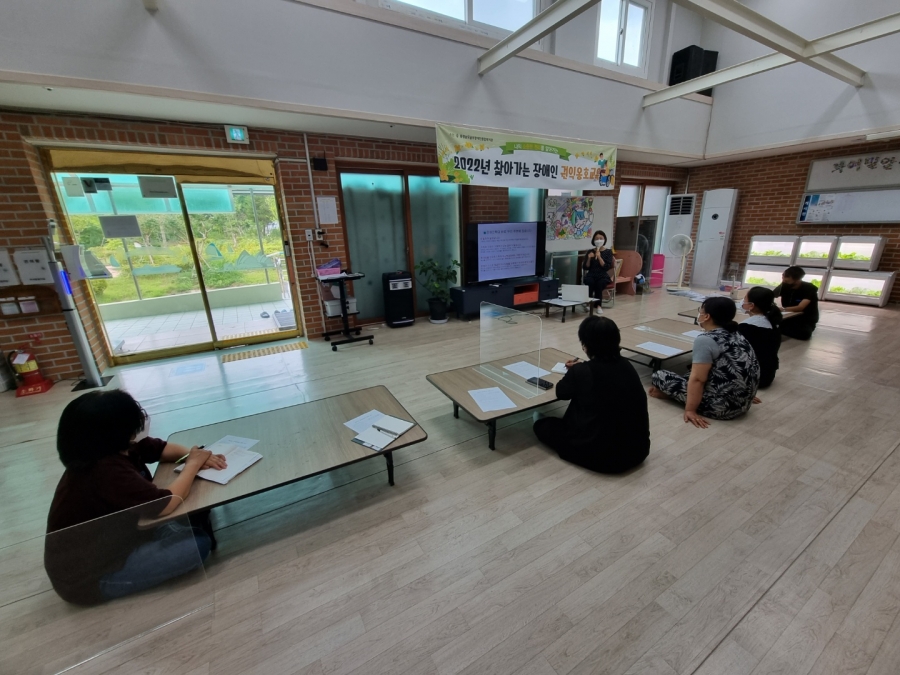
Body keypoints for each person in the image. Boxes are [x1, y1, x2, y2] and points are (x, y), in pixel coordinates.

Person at [44, 389, 227, 605]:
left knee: (194, 502)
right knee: (197, 545)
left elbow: (160, 449)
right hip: (96, 575)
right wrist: (193, 464)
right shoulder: (104, 471)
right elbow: (166, 504)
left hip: (126, 535)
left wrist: (192, 455)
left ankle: (179, 528)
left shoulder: (115, 448)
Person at [533, 316, 650, 473]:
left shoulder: (582, 371)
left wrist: (575, 372)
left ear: (586, 345)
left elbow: (561, 392)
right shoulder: (627, 365)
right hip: (638, 451)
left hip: (603, 458)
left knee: (542, 425)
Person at [649, 296, 760, 428]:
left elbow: (698, 379)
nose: (699, 314)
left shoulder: (706, 340)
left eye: (701, 311)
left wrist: (690, 410)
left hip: (722, 408)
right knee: (690, 372)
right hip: (743, 403)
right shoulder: (736, 333)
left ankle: (673, 397)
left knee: (659, 375)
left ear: (707, 316)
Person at [737, 286, 782, 388]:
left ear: (751, 305)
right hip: (768, 375)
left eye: (745, 299)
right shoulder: (773, 322)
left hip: (752, 378)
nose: (742, 301)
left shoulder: (746, 327)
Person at [774, 266, 819, 340]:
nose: (784, 282)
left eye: (787, 281)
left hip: (804, 319)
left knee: (804, 334)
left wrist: (783, 309)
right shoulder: (784, 286)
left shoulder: (809, 289)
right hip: (788, 317)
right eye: (783, 279)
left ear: (797, 281)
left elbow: (800, 307)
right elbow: (771, 295)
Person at [582, 230, 615, 300]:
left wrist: (599, 257)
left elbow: (606, 267)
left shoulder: (608, 252)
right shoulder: (590, 251)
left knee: (599, 284)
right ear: (593, 240)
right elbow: (585, 267)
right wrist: (589, 258)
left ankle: (598, 304)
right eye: (596, 239)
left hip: (602, 276)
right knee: (589, 282)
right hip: (591, 274)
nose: (599, 240)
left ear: (604, 239)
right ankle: (588, 302)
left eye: (601, 238)